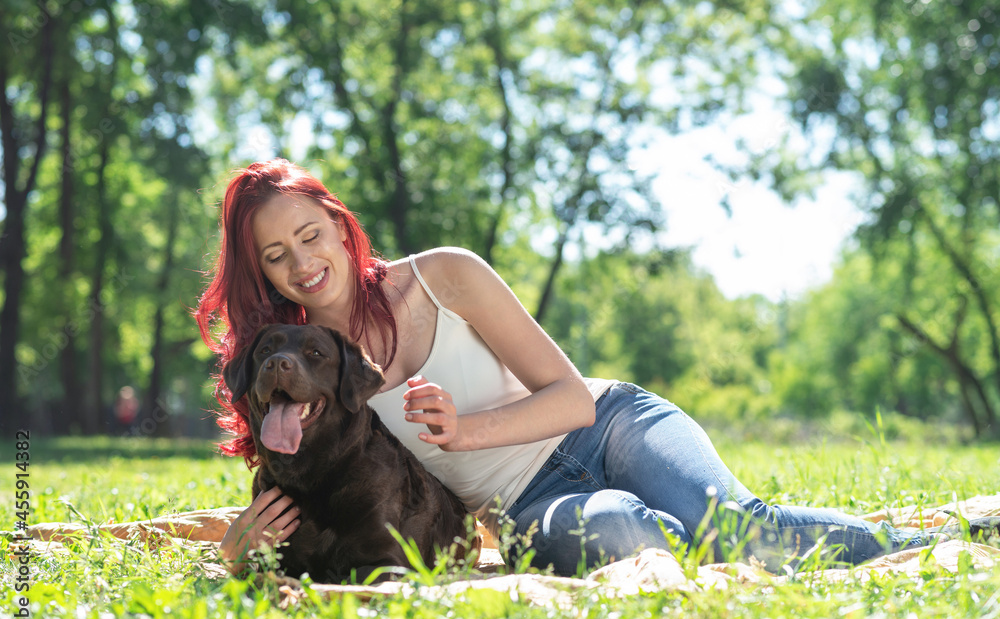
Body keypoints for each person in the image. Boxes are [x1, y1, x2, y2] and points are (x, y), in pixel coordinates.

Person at [196, 158, 980, 578]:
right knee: (624, 531)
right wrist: (237, 546)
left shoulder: (444, 273)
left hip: (610, 425)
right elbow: (296, 480)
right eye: (275, 254)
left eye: (309, 234)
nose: (302, 262)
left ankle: (934, 535)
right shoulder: (303, 373)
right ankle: (714, 546)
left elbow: (569, 397)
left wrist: (465, 431)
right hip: (528, 505)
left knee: (737, 528)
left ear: (338, 225)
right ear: (261, 273)